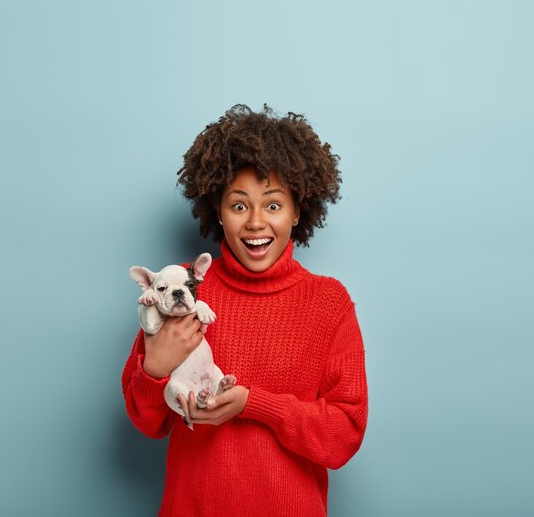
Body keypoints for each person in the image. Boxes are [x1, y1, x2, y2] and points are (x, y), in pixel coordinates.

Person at [121, 104, 368, 517]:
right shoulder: (180, 288)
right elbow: (147, 422)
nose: (255, 222)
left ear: (297, 210)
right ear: (217, 210)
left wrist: (255, 404)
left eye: (273, 205)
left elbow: (344, 435)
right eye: (239, 205)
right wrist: (155, 368)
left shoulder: (329, 303)